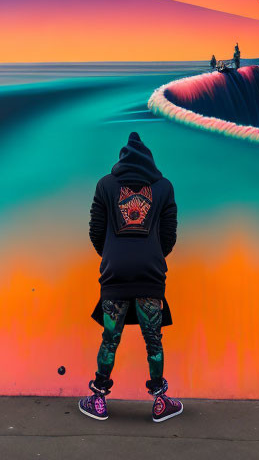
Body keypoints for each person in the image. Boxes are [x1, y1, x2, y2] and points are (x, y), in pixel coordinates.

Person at [79, 131, 183, 423]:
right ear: (149, 159)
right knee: (153, 339)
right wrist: (150, 255)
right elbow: (169, 235)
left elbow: (96, 231)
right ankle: (160, 401)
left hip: (115, 274)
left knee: (110, 338)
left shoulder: (105, 185)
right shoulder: (164, 187)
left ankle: (98, 398)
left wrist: (113, 254)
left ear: (122, 159)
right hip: (150, 274)